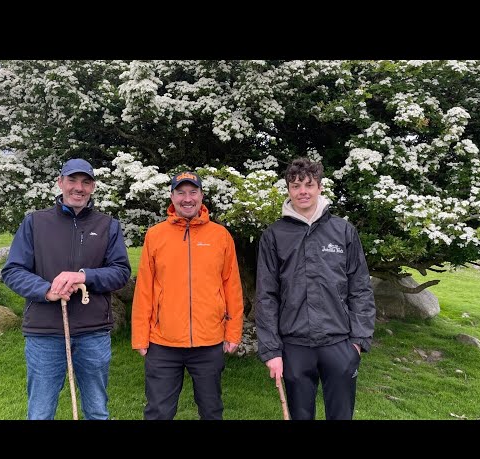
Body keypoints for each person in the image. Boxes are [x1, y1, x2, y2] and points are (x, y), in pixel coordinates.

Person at [2, 158, 131, 420]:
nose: (78, 188)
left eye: (86, 182)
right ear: (60, 183)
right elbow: (13, 270)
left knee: (96, 410)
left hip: (93, 332)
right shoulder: (35, 222)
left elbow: (120, 272)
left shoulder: (108, 226)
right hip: (45, 332)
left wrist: (84, 276)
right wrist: (45, 290)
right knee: (40, 411)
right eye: (72, 180)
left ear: (93, 187)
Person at [255, 157, 376, 420]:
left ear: (320, 187)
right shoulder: (273, 236)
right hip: (294, 346)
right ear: (288, 189)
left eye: (309, 185)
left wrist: (358, 341)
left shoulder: (343, 231)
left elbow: (360, 289)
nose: (303, 191)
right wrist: (271, 350)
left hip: (339, 343)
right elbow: (266, 296)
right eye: (296, 185)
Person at [131, 171, 244, 420]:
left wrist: (233, 331)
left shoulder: (221, 236)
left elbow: (232, 288)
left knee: (212, 410)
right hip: (163, 342)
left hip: (209, 341)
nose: (187, 198)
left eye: (193, 192)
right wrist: (140, 337)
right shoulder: (155, 235)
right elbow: (144, 290)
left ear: (202, 196)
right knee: (158, 412)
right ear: (172, 197)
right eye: (181, 192)